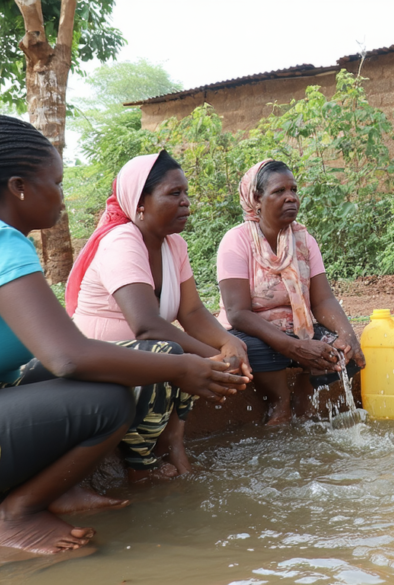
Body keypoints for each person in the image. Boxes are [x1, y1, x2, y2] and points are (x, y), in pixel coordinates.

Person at [0, 115, 248, 555]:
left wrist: (178, 362)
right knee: (107, 402)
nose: (63, 197)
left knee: (126, 368)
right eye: (57, 183)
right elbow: (68, 356)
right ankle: (15, 516)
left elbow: (62, 350)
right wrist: (182, 366)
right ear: (19, 186)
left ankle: (54, 489)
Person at [66, 151, 251, 482]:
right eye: (174, 193)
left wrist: (228, 342)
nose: (186, 203)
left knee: (186, 352)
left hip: (141, 355)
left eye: (186, 193)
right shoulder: (122, 242)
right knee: (174, 352)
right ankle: (140, 463)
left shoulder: (174, 246)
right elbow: (147, 326)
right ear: (140, 204)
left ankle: (173, 439)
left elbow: (192, 312)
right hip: (97, 361)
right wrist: (213, 356)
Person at [217, 159, 365, 425]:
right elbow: (237, 313)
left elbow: (323, 300)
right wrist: (295, 347)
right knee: (255, 349)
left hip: (297, 328)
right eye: (279, 192)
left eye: (294, 190)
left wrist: (348, 335)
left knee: (345, 355)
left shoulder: (304, 240)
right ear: (256, 199)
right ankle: (279, 401)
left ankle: (304, 394)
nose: (291, 198)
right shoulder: (236, 241)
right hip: (251, 330)